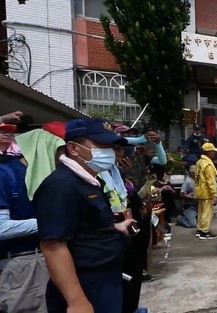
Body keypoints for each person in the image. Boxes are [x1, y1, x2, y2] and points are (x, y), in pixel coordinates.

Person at [33, 118, 136, 313]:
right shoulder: (60, 186)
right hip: (86, 285)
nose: (109, 152)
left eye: (111, 146)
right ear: (73, 148)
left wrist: (115, 228)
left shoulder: (89, 181)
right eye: (101, 145)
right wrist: (77, 301)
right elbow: (53, 247)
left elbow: (82, 225)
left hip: (106, 278)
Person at [0, 123, 65, 313]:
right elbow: (1, 228)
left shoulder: (53, 178)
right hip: (23, 266)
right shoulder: (6, 176)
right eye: (59, 152)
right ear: (43, 148)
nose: (63, 159)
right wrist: (49, 222)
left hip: (53, 258)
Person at [195, 143, 217, 239]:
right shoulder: (208, 164)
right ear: (209, 152)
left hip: (200, 191)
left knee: (201, 212)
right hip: (206, 192)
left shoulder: (199, 162)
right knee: (207, 213)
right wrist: (214, 195)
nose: (214, 153)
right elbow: (211, 181)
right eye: (213, 151)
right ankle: (204, 231)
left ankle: (200, 229)